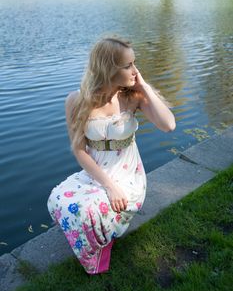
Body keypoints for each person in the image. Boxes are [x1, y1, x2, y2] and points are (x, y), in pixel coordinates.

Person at [47, 36, 176, 275]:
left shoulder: (132, 97)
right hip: (96, 172)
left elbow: (169, 126)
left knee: (89, 210)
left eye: (134, 63)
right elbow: (79, 150)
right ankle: (96, 238)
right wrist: (108, 186)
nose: (135, 71)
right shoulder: (76, 101)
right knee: (57, 199)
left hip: (127, 174)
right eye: (128, 65)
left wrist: (144, 87)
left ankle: (103, 241)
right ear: (107, 68)